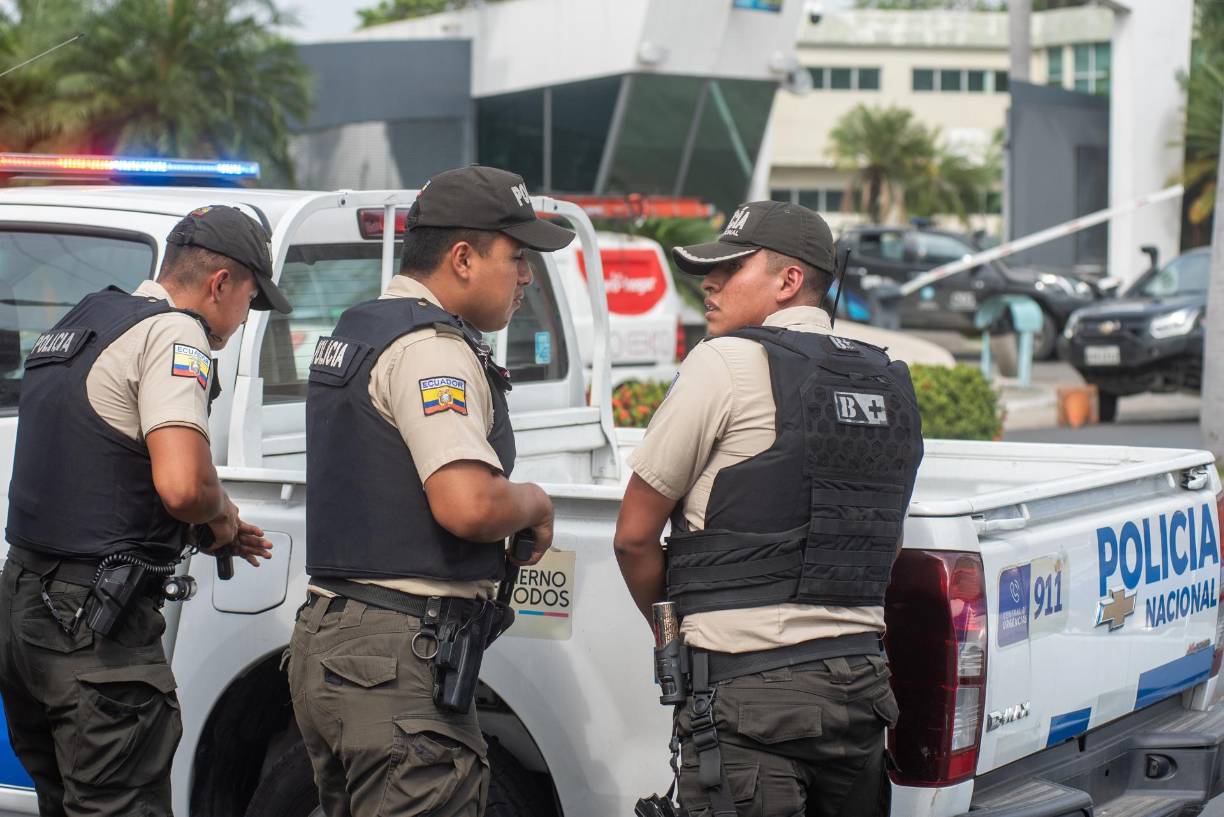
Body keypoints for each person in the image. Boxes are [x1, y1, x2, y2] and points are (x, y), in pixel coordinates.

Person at [614, 200, 924, 817]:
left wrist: (671, 629)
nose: (710, 282)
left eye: (731, 268)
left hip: (748, 694)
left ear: (788, 282)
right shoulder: (889, 380)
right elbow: (881, 542)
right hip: (862, 693)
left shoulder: (723, 362)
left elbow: (633, 536)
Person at [289, 165, 569, 817]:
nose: (527, 276)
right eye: (517, 257)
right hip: (396, 662)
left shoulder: (357, 328)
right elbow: (468, 503)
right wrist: (534, 502)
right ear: (463, 258)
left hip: (338, 647)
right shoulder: (432, 350)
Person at [0, 204, 289, 817]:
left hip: (26, 612)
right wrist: (223, 519)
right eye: (249, 300)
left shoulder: (85, 320)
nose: (241, 320)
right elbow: (183, 485)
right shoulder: (177, 333)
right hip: (96, 631)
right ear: (221, 283)